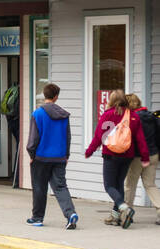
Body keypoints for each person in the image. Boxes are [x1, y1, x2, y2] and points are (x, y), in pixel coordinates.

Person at [85, 89, 151, 228]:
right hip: (127, 155)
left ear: (112, 100)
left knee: (109, 185)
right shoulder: (133, 116)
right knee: (119, 183)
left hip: (111, 155)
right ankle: (116, 217)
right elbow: (140, 139)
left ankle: (124, 207)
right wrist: (145, 156)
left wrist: (90, 151)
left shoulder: (108, 115)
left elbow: (99, 136)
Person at [25, 84, 78, 230]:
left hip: (41, 157)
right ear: (56, 97)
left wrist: (31, 154)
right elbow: (68, 137)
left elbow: (33, 138)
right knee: (60, 187)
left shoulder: (38, 114)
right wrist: (66, 155)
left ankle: (37, 218)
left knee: (39, 187)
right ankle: (70, 214)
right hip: (59, 157)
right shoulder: (64, 115)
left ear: (44, 95)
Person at [123, 94, 160, 223]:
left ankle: (127, 213)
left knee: (130, 185)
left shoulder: (132, 118)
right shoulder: (152, 117)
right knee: (150, 184)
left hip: (137, 157)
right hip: (153, 154)